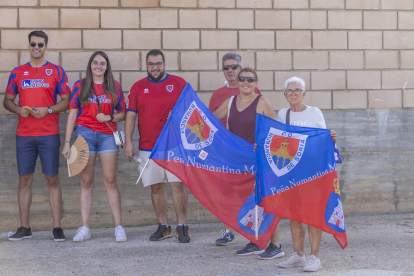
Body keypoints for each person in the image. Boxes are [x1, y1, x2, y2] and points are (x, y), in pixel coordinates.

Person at [3, 30, 71, 242]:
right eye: (33, 44)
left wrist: (49, 109)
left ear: (46, 46)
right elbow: (7, 100)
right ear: (29, 46)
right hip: (24, 135)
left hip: (49, 134)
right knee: (24, 180)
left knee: (52, 179)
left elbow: (67, 101)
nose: (36, 48)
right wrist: (17, 110)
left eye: (40, 44)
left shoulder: (56, 71)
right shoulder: (17, 72)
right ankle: (25, 227)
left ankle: (57, 227)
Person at [212, 67, 284, 259]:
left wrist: (261, 144)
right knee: (247, 203)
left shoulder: (262, 102)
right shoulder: (231, 101)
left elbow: (275, 130)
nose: (245, 82)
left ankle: (276, 245)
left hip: (259, 159)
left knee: (265, 200)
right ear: (237, 80)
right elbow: (209, 119)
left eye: (250, 80)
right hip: (238, 162)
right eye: (242, 79)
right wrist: (179, 115)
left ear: (255, 83)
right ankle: (256, 241)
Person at [125, 49, 190, 243]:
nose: (155, 67)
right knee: (156, 187)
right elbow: (130, 115)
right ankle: (163, 227)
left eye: (158, 63)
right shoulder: (138, 87)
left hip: (175, 146)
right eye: (151, 64)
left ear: (164, 64)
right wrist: (128, 141)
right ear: (146, 65)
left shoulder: (179, 83)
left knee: (177, 185)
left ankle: (182, 226)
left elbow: (191, 112)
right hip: (148, 147)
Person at [62, 51, 127, 243]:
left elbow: (122, 113)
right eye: (95, 63)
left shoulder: (114, 86)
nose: (98, 66)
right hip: (85, 135)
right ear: (90, 65)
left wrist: (110, 117)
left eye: (102, 63)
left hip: (107, 135)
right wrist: (67, 143)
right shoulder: (80, 86)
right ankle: (85, 227)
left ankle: (119, 227)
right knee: (86, 181)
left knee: (110, 180)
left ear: (107, 67)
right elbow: (72, 115)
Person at [277, 76, 337, 272]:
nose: (293, 94)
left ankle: (315, 257)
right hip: (292, 172)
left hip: (313, 173)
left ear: (304, 93)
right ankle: (298, 255)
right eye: (290, 90)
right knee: (294, 215)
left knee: (312, 215)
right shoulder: (282, 114)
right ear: (285, 95)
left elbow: (323, 139)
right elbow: (278, 142)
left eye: (297, 90)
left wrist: (332, 138)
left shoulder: (314, 112)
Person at [209, 53, 263, 247]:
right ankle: (227, 230)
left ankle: (254, 233)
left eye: (234, 67)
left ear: (240, 69)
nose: (230, 71)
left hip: (250, 151)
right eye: (226, 67)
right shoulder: (220, 96)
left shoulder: (256, 94)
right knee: (227, 191)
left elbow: (266, 123)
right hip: (228, 152)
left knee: (251, 192)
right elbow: (208, 120)